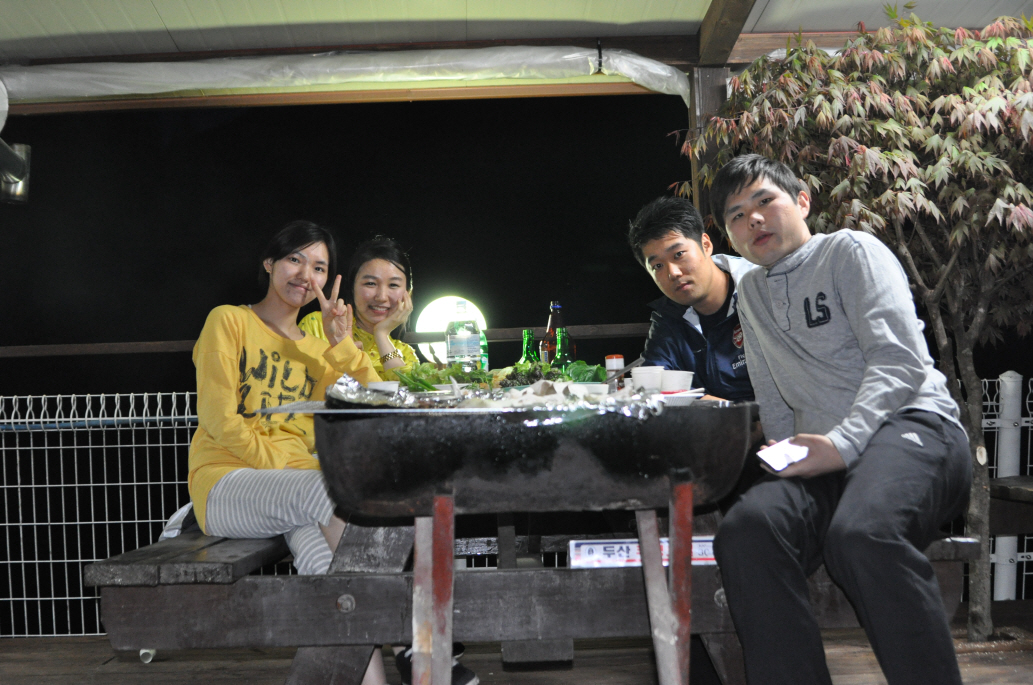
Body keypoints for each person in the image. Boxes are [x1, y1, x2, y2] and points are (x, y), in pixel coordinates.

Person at [709, 154, 971, 685]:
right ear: (729, 236)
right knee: (748, 529)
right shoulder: (750, 293)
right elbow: (773, 394)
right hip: (829, 456)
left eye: (765, 201)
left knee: (863, 534)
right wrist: (786, 454)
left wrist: (843, 442)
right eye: (736, 215)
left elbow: (899, 361)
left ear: (803, 201)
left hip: (914, 428)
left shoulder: (850, 251)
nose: (753, 219)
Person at [187, 220, 388, 685]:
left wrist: (343, 345)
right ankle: (412, 640)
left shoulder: (320, 351)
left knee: (329, 570)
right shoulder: (229, 320)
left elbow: (376, 400)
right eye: (295, 259)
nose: (306, 275)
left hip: (295, 494)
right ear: (269, 263)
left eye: (319, 267)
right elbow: (219, 419)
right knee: (333, 494)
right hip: (225, 484)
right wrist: (291, 469)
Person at [627, 196, 755, 401]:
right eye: (658, 266)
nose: (673, 273)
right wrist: (722, 410)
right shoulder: (668, 318)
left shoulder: (759, 287)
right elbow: (651, 388)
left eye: (679, 254)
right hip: (718, 421)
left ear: (706, 244)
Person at [300, 236, 418, 379]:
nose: (381, 297)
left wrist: (381, 335)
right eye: (370, 283)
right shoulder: (320, 325)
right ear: (352, 287)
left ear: (408, 293)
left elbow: (404, 391)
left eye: (393, 285)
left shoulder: (406, 354)